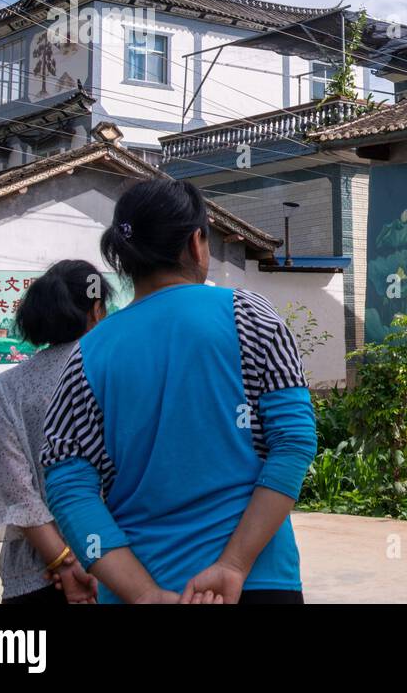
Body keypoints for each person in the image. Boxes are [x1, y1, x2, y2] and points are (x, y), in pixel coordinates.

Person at [41, 178, 318, 604]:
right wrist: (234, 564)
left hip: (142, 584)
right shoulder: (249, 315)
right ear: (196, 243)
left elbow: (67, 486)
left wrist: (144, 594)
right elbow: (295, 442)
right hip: (258, 581)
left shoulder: (88, 354)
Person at [0, 259, 106, 605]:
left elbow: (13, 491)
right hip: (119, 569)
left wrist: (63, 562)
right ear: (96, 311)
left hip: (33, 578)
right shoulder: (121, 374)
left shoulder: (5, 387)